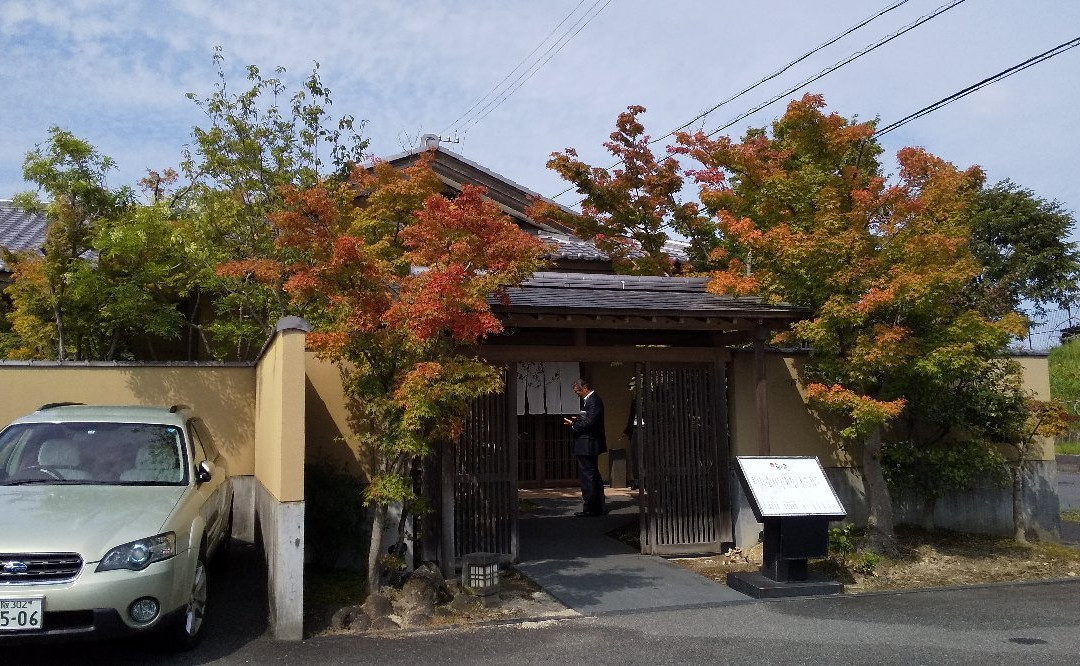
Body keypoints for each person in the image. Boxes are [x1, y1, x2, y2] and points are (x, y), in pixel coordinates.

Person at [564, 378, 606, 517]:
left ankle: (590, 508)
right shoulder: (590, 400)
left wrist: (574, 425)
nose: (577, 394)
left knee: (588, 476)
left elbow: (590, 422)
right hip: (588, 443)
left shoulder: (593, 401)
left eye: (578, 391)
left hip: (588, 443)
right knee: (593, 475)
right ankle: (598, 506)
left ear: (585, 388)